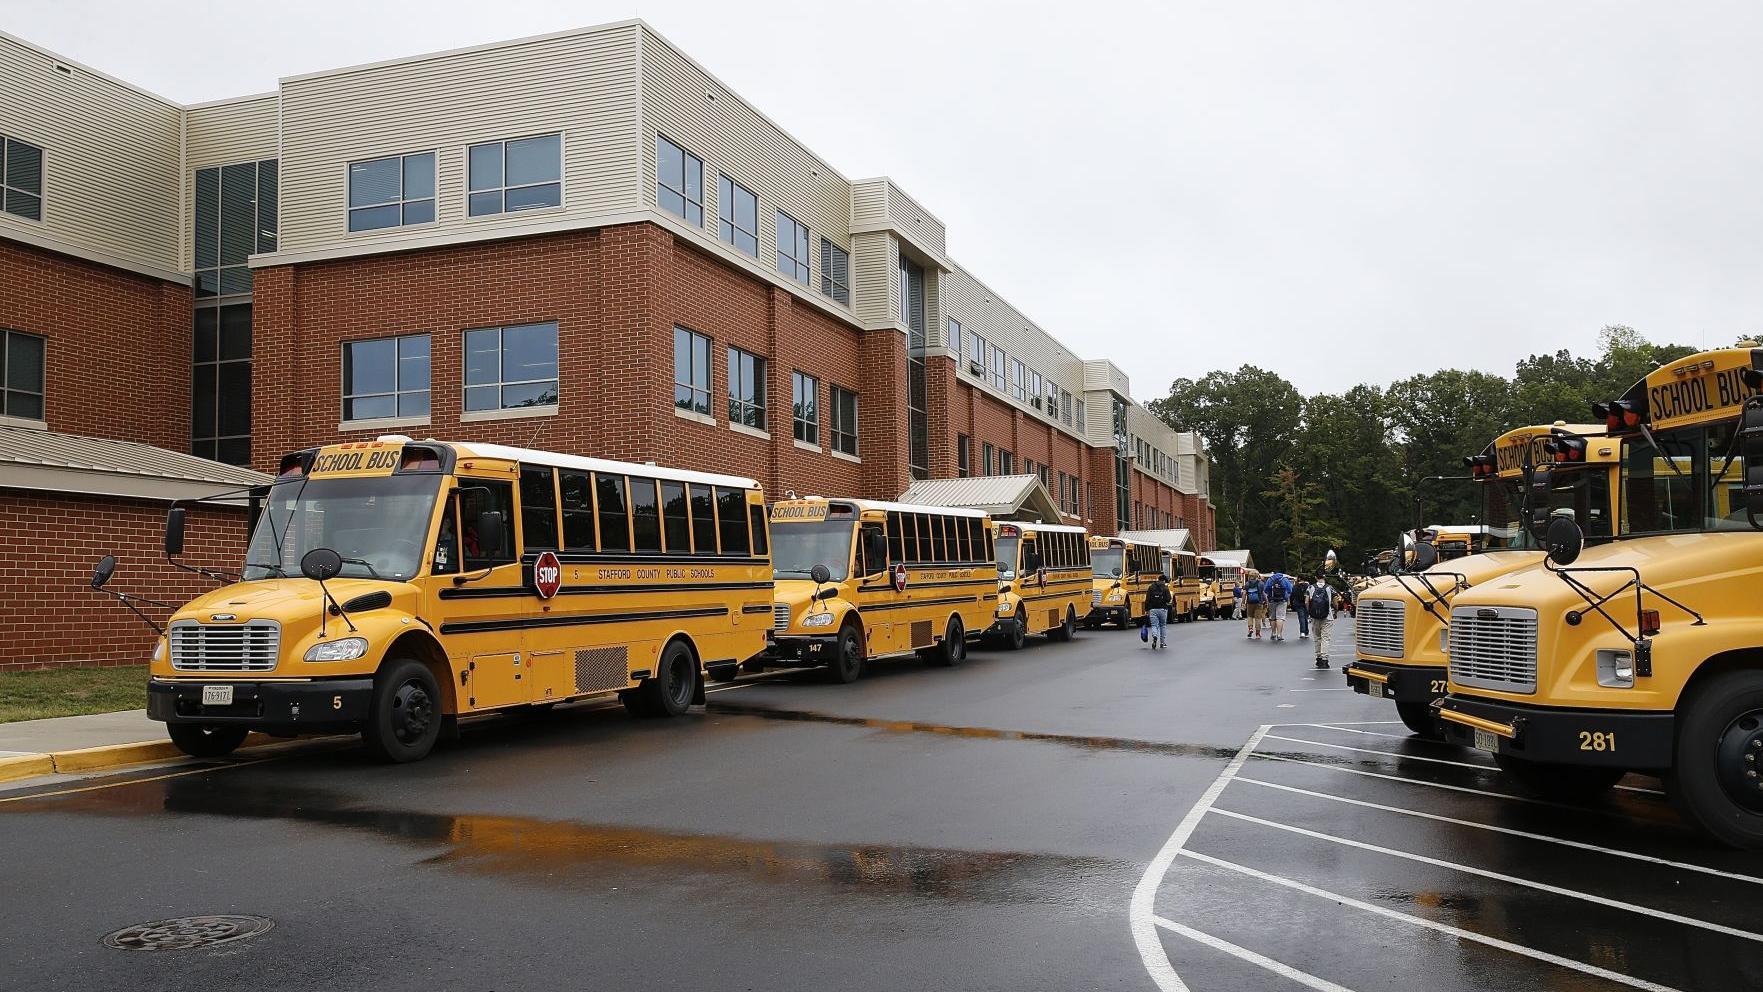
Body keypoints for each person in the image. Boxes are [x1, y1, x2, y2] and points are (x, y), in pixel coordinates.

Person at [1310, 575, 1337, 668]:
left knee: (1317, 638)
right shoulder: (1329, 588)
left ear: (1316, 577)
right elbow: (1335, 600)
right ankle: (1325, 659)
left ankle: (1318, 658)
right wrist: (1335, 610)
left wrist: (1309, 612)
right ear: (1325, 578)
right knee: (1325, 638)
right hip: (1327, 616)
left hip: (1314, 616)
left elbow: (1306, 601)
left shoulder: (1311, 587)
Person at [1144, 573, 1172, 650]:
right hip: (1163, 609)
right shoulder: (1165, 588)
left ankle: (1154, 636)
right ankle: (1162, 643)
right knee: (1163, 625)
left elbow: (1147, 600)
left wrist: (1146, 609)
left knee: (1154, 625)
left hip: (1153, 609)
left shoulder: (1151, 587)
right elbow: (1169, 599)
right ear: (1163, 580)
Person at [1263, 571, 1292, 642]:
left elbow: (1265, 590)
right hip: (1282, 600)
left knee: (1272, 617)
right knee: (1280, 617)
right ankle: (1279, 634)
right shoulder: (1285, 579)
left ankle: (1273, 633)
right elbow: (1290, 590)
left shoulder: (1270, 579)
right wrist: (1287, 597)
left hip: (1272, 600)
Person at [1243, 570, 1265, 639]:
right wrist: (1266, 601)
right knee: (1258, 618)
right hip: (1259, 603)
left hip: (1250, 603)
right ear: (1257, 576)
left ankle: (1250, 628)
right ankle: (1258, 634)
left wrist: (1243, 602)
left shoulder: (1247, 584)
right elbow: (1263, 594)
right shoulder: (1261, 583)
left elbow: (1244, 594)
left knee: (1250, 616)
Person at [1292, 574, 1312, 640]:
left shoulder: (1295, 586)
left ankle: (1302, 632)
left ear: (1299, 578)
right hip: (1306, 603)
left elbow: (1293, 595)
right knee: (1305, 617)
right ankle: (1306, 632)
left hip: (1298, 603)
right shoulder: (1308, 586)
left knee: (1301, 617)